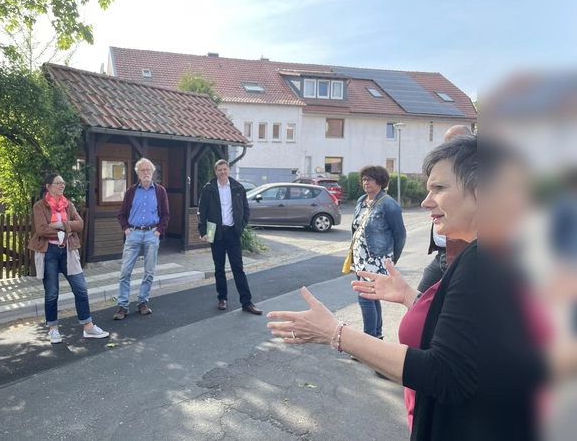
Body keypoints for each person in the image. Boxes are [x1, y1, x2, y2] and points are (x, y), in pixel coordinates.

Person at [266, 137, 489, 440]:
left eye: (439, 188)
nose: (426, 201)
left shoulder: (481, 261)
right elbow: (467, 333)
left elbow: (445, 373)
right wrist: (411, 297)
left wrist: (335, 333)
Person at [28, 173, 109, 344]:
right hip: (48, 251)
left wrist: (60, 225)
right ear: (48, 186)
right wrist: (65, 230)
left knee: (81, 289)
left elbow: (79, 224)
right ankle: (53, 329)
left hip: (68, 250)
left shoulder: (68, 205)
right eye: (58, 183)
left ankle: (88, 327)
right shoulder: (39, 206)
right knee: (51, 293)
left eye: (63, 183)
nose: (62, 186)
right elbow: (41, 230)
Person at [198, 159, 262, 315]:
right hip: (217, 234)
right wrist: (203, 232)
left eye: (225, 169)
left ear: (228, 170)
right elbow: (201, 212)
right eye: (219, 170)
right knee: (219, 269)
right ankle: (222, 299)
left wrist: (240, 227)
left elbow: (246, 210)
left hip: (233, 233)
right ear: (216, 171)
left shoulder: (238, 188)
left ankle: (247, 302)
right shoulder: (208, 189)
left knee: (238, 268)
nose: (222, 172)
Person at [350, 165, 406, 344]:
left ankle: (369, 341)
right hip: (361, 258)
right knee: (372, 297)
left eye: (370, 179)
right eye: (364, 179)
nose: (366, 182)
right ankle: (377, 335)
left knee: (365, 297)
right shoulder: (361, 201)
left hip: (377, 259)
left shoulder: (389, 204)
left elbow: (400, 235)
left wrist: (390, 260)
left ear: (380, 182)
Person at [417, 125, 472, 292]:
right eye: (446, 141)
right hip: (443, 254)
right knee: (422, 302)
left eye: (440, 188)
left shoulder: (470, 173)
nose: (426, 203)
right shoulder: (444, 168)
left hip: (461, 254)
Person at [114, 158, 170, 320]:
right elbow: (121, 214)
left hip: (152, 234)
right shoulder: (131, 191)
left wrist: (159, 231)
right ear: (137, 173)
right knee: (125, 271)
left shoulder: (160, 191)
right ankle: (123, 306)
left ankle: (142, 303)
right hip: (133, 233)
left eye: (148, 170)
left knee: (149, 271)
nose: (146, 173)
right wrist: (126, 230)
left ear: (153, 172)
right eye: (142, 171)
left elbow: (165, 215)